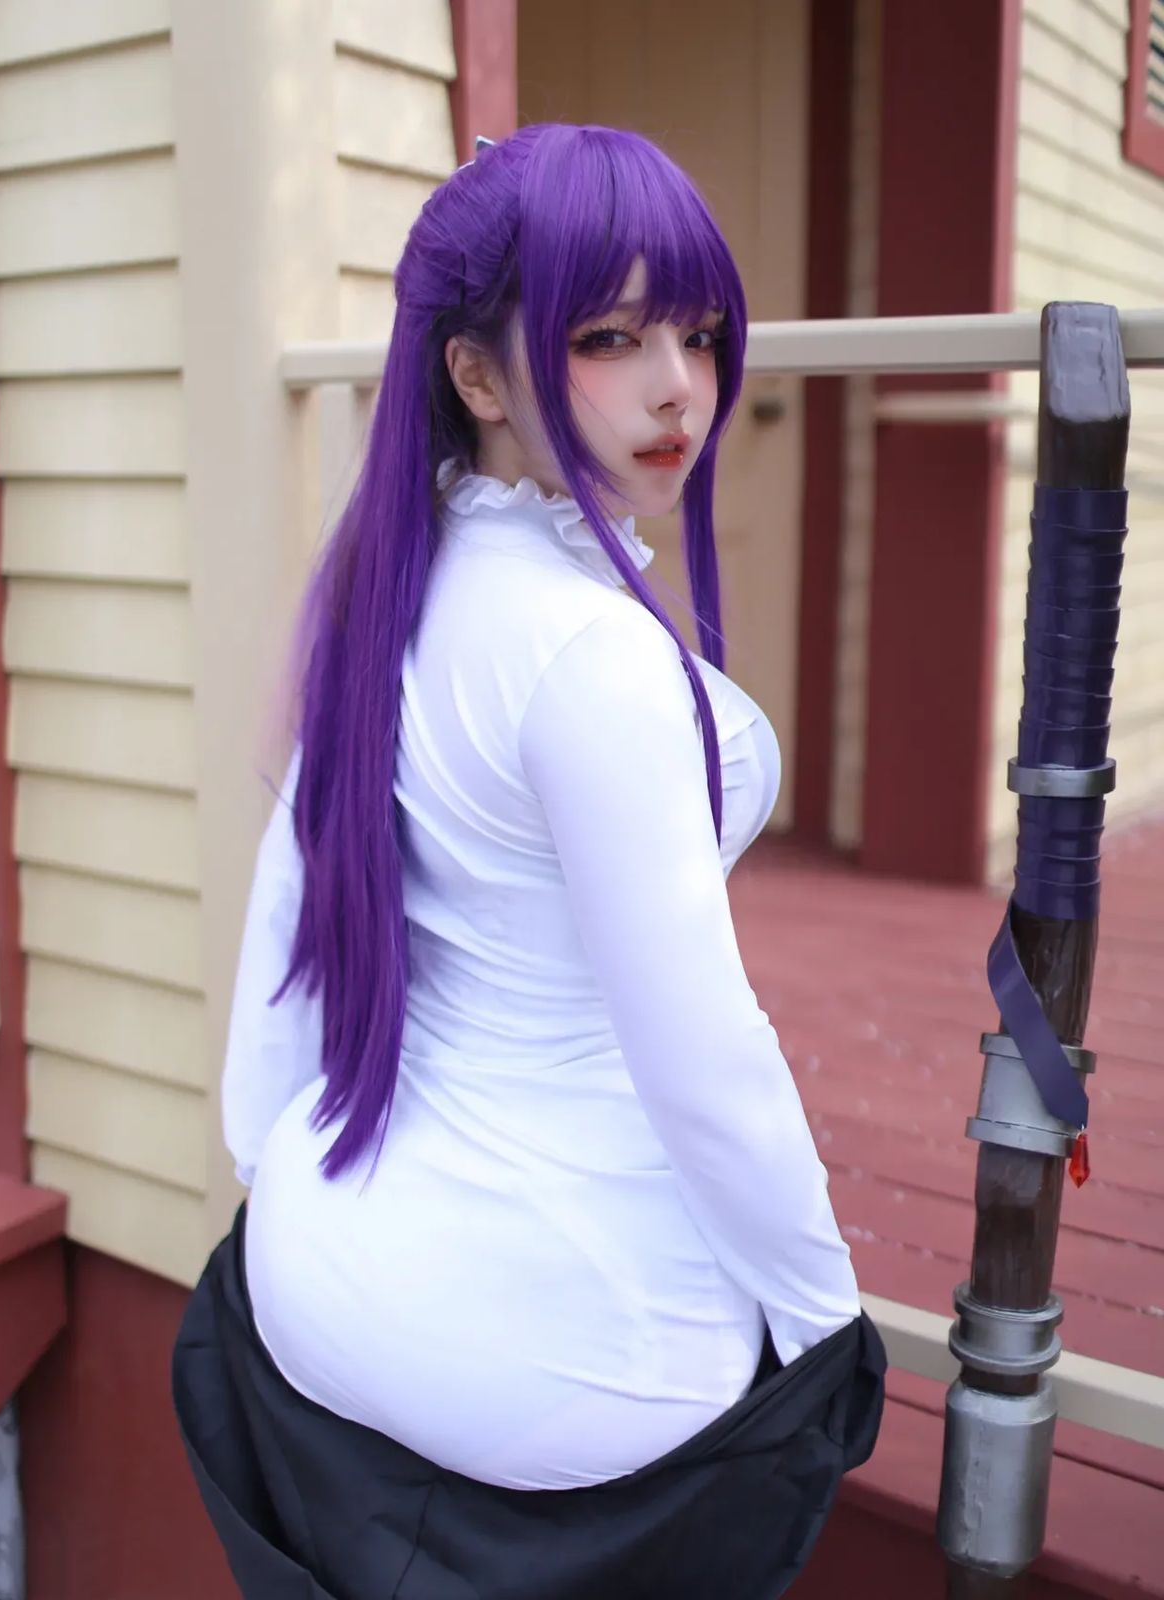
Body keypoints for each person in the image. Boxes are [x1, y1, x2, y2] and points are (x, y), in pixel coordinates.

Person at [173, 122, 883, 1600]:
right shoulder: (582, 657)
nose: (679, 386)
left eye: (698, 331)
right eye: (608, 337)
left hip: (317, 1267)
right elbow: (703, 1057)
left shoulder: (386, 576)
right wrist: (830, 1325)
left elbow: (289, 916)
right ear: (478, 377)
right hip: (565, 1352)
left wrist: (265, 1160)